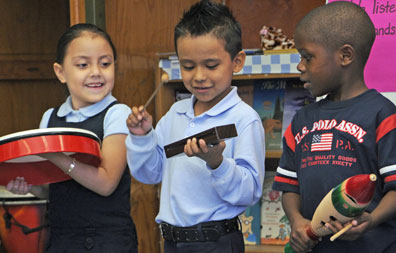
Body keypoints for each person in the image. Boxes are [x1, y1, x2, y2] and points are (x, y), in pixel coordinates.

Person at [125, 0, 265, 252]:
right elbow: (150, 173)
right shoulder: (176, 113)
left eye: (211, 65)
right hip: (172, 241)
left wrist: (217, 163)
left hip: (216, 242)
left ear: (237, 62)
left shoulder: (245, 118)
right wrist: (142, 136)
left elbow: (250, 192)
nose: (198, 76)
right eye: (188, 66)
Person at [272, 2, 396, 252]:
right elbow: (289, 186)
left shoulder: (383, 115)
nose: (300, 66)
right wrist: (297, 223)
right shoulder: (301, 121)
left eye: (307, 56)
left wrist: (370, 220)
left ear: (345, 56)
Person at [6, 23, 138, 253]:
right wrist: (29, 187)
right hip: (61, 237)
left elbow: (106, 184)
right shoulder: (50, 117)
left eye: (105, 63)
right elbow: (52, 187)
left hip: (107, 240)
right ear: (60, 72)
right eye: (83, 65)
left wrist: (55, 156)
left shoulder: (118, 113)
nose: (96, 71)